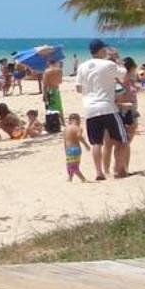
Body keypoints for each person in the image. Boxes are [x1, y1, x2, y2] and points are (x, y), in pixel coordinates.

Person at [74, 39, 126, 182]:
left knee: (96, 143)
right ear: (102, 50)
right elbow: (123, 73)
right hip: (107, 107)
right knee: (121, 140)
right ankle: (119, 170)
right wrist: (117, 58)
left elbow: (78, 88)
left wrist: (90, 91)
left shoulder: (82, 66)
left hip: (90, 109)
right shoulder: (108, 64)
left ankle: (99, 172)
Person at [41, 57, 64, 134]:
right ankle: (63, 123)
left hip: (49, 90)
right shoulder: (59, 70)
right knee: (60, 107)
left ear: (49, 63)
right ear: (55, 63)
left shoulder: (47, 71)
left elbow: (44, 84)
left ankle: (51, 124)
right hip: (56, 90)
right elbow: (60, 81)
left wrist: (44, 95)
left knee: (49, 108)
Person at [62, 111, 85, 182]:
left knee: (70, 164)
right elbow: (79, 136)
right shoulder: (78, 128)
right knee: (74, 165)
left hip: (68, 148)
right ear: (77, 120)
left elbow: (65, 140)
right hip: (76, 148)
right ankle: (78, 178)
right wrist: (86, 145)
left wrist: (65, 149)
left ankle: (74, 178)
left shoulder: (66, 128)